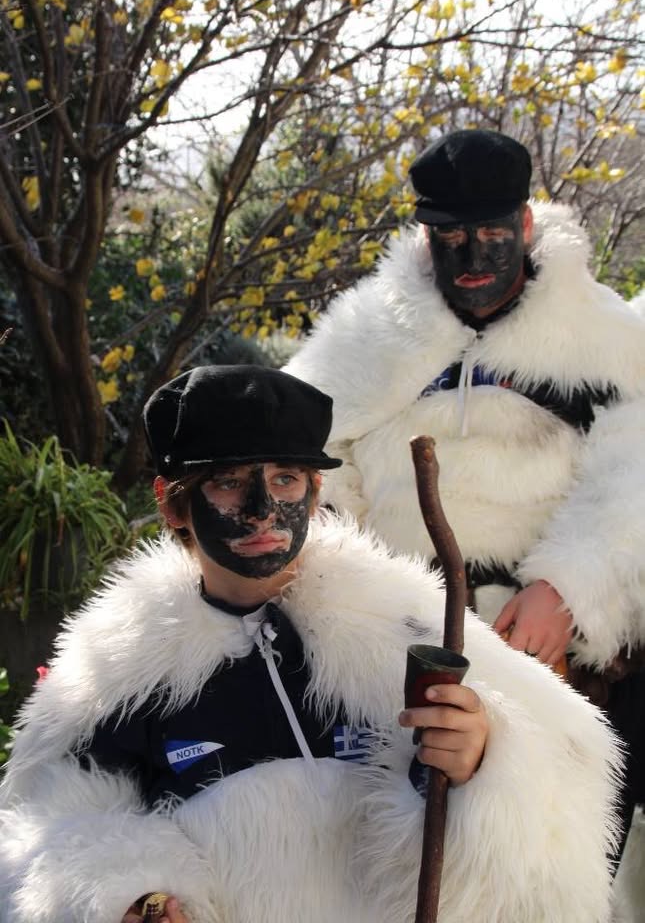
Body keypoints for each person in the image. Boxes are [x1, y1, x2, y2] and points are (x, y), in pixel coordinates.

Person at [0, 364, 621, 923]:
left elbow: (562, 782)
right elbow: (47, 834)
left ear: (316, 491)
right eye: (227, 482)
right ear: (172, 504)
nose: (261, 510)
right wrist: (129, 896)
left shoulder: (405, 624)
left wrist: (484, 763)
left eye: (285, 479)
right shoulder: (120, 672)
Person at [285, 129, 645, 865]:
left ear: (525, 225)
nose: (472, 258)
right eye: (449, 238)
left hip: (543, 646)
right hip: (395, 641)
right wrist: (354, 582)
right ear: (424, 237)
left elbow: (631, 473)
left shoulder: (606, 337)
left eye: (491, 235)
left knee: (546, 861)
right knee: (396, 861)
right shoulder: (367, 331)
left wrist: (567, 588)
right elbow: (304, 458)